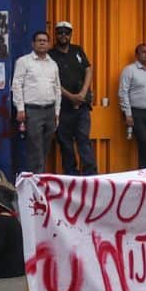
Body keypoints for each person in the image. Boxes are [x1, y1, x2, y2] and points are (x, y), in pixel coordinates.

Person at [10, 31, 62, 175]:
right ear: (33, 44)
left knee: (45, 147)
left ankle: (38, 176)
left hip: (50, 110)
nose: (42, 43)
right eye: (39, 40)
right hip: (32, 110)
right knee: (35, 147)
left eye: (45, 40)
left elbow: (57, 89)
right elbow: (16, 85)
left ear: (49, 44)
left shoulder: (53, 64)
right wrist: (20, 108)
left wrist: (57, 112)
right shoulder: (24, 61)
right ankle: (36, 181)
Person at [49, 21, 97, 176]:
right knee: (66, 144)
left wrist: (83, 94)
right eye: (60, 32)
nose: (63, 36)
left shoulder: (77, 50)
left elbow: (88, 70)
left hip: (82, 106)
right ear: (55, 35)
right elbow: (53, 81)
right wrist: (71, 97)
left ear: (71, 34)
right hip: (62, 107)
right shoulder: (50, 56)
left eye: (67, 33)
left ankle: (90, 175)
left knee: (84, 140)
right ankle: (72, 176)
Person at [118, 43, 146, 169]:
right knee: (145, 142)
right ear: (137, 55)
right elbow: (123, 92)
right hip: (135, 112)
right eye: (144, 52)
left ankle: (143, 174)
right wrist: (128, 114)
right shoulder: (129, 70)